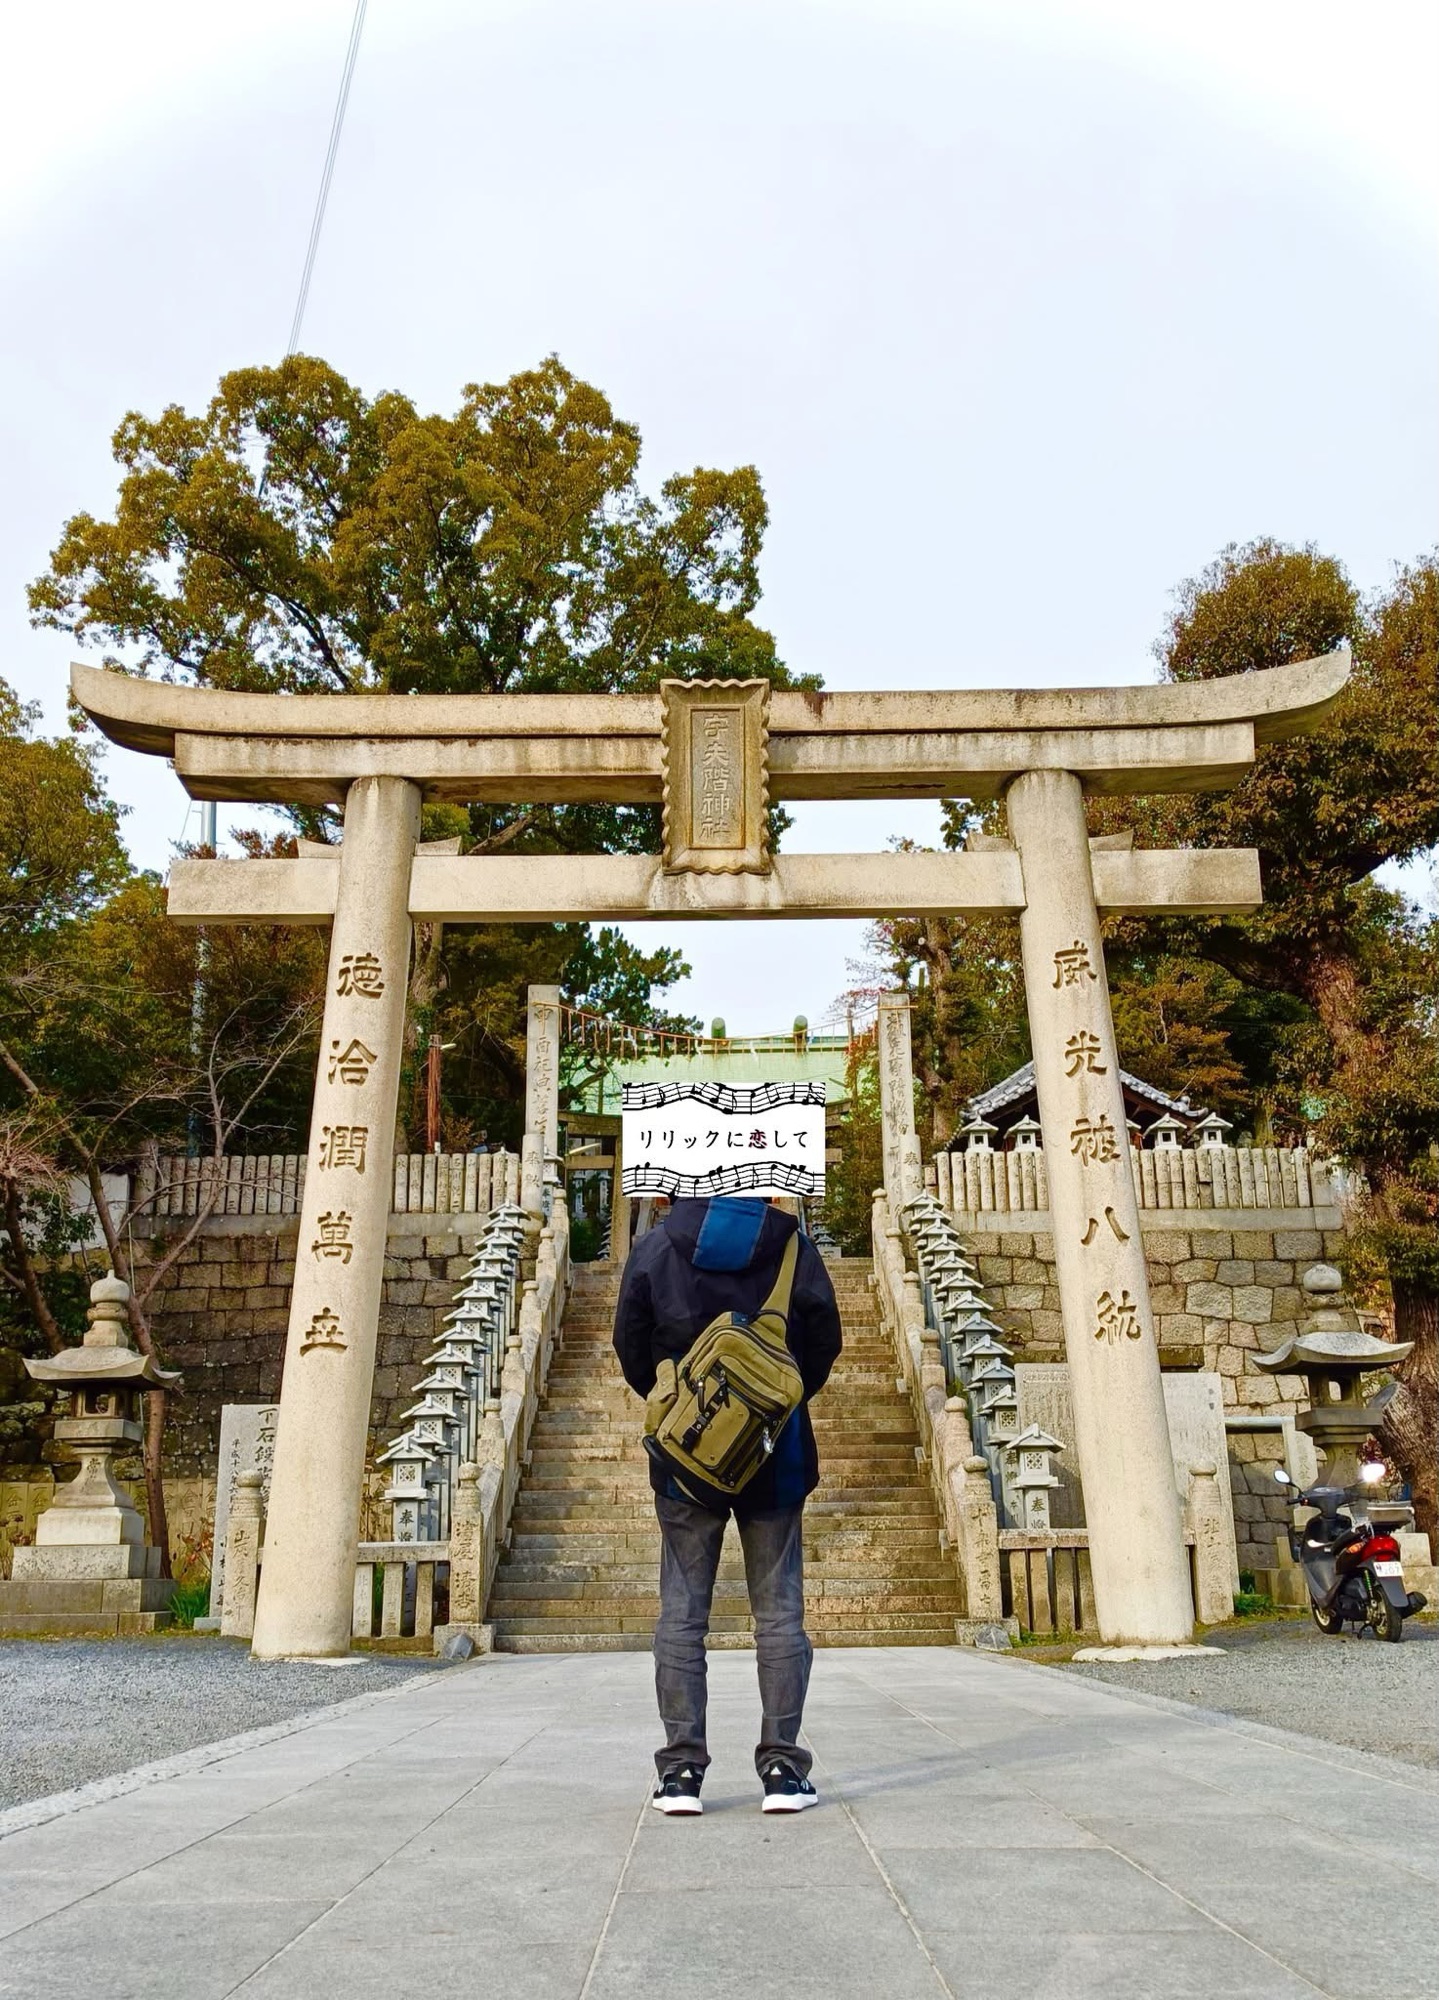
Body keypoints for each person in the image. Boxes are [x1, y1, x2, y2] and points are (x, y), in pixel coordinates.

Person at [612, 1196, 843, 1817]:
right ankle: (782, 1769)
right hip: (778, 1454)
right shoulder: (792, 1245)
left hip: (686, 1459)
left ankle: (680, 1773)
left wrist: (680, 1398)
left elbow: (629, 1342)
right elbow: (825, 1341)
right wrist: (773, 1401)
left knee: (682, 1613)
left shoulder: (657, 1245)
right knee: (780, 1613)